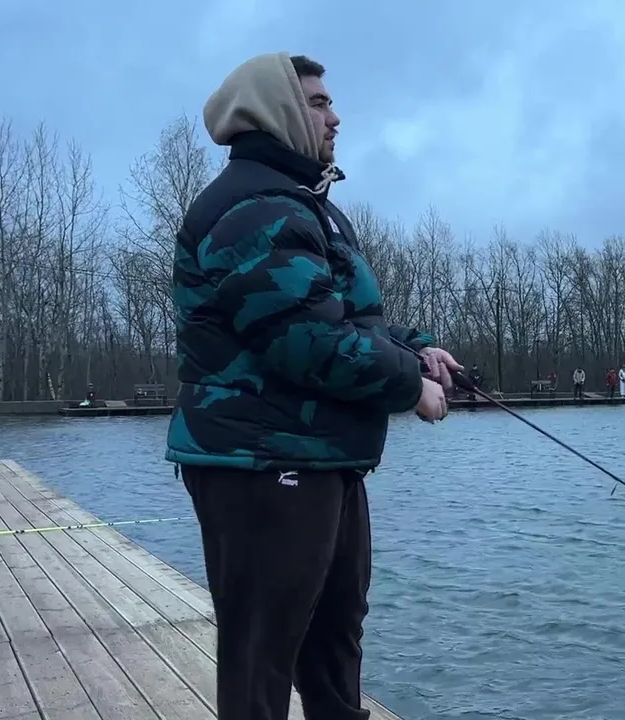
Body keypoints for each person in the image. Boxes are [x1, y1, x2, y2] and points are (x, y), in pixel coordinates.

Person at [165, 52, 462, 720]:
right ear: (277, 110)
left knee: (334, 641)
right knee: (261, 658)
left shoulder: (302, 201)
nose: (336, 117)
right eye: (319, 103)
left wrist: (416, 350)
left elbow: (340, 315)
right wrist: (411, 387)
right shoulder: (254, 206)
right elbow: (305, 341)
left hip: (319, 456)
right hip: (259, 461)